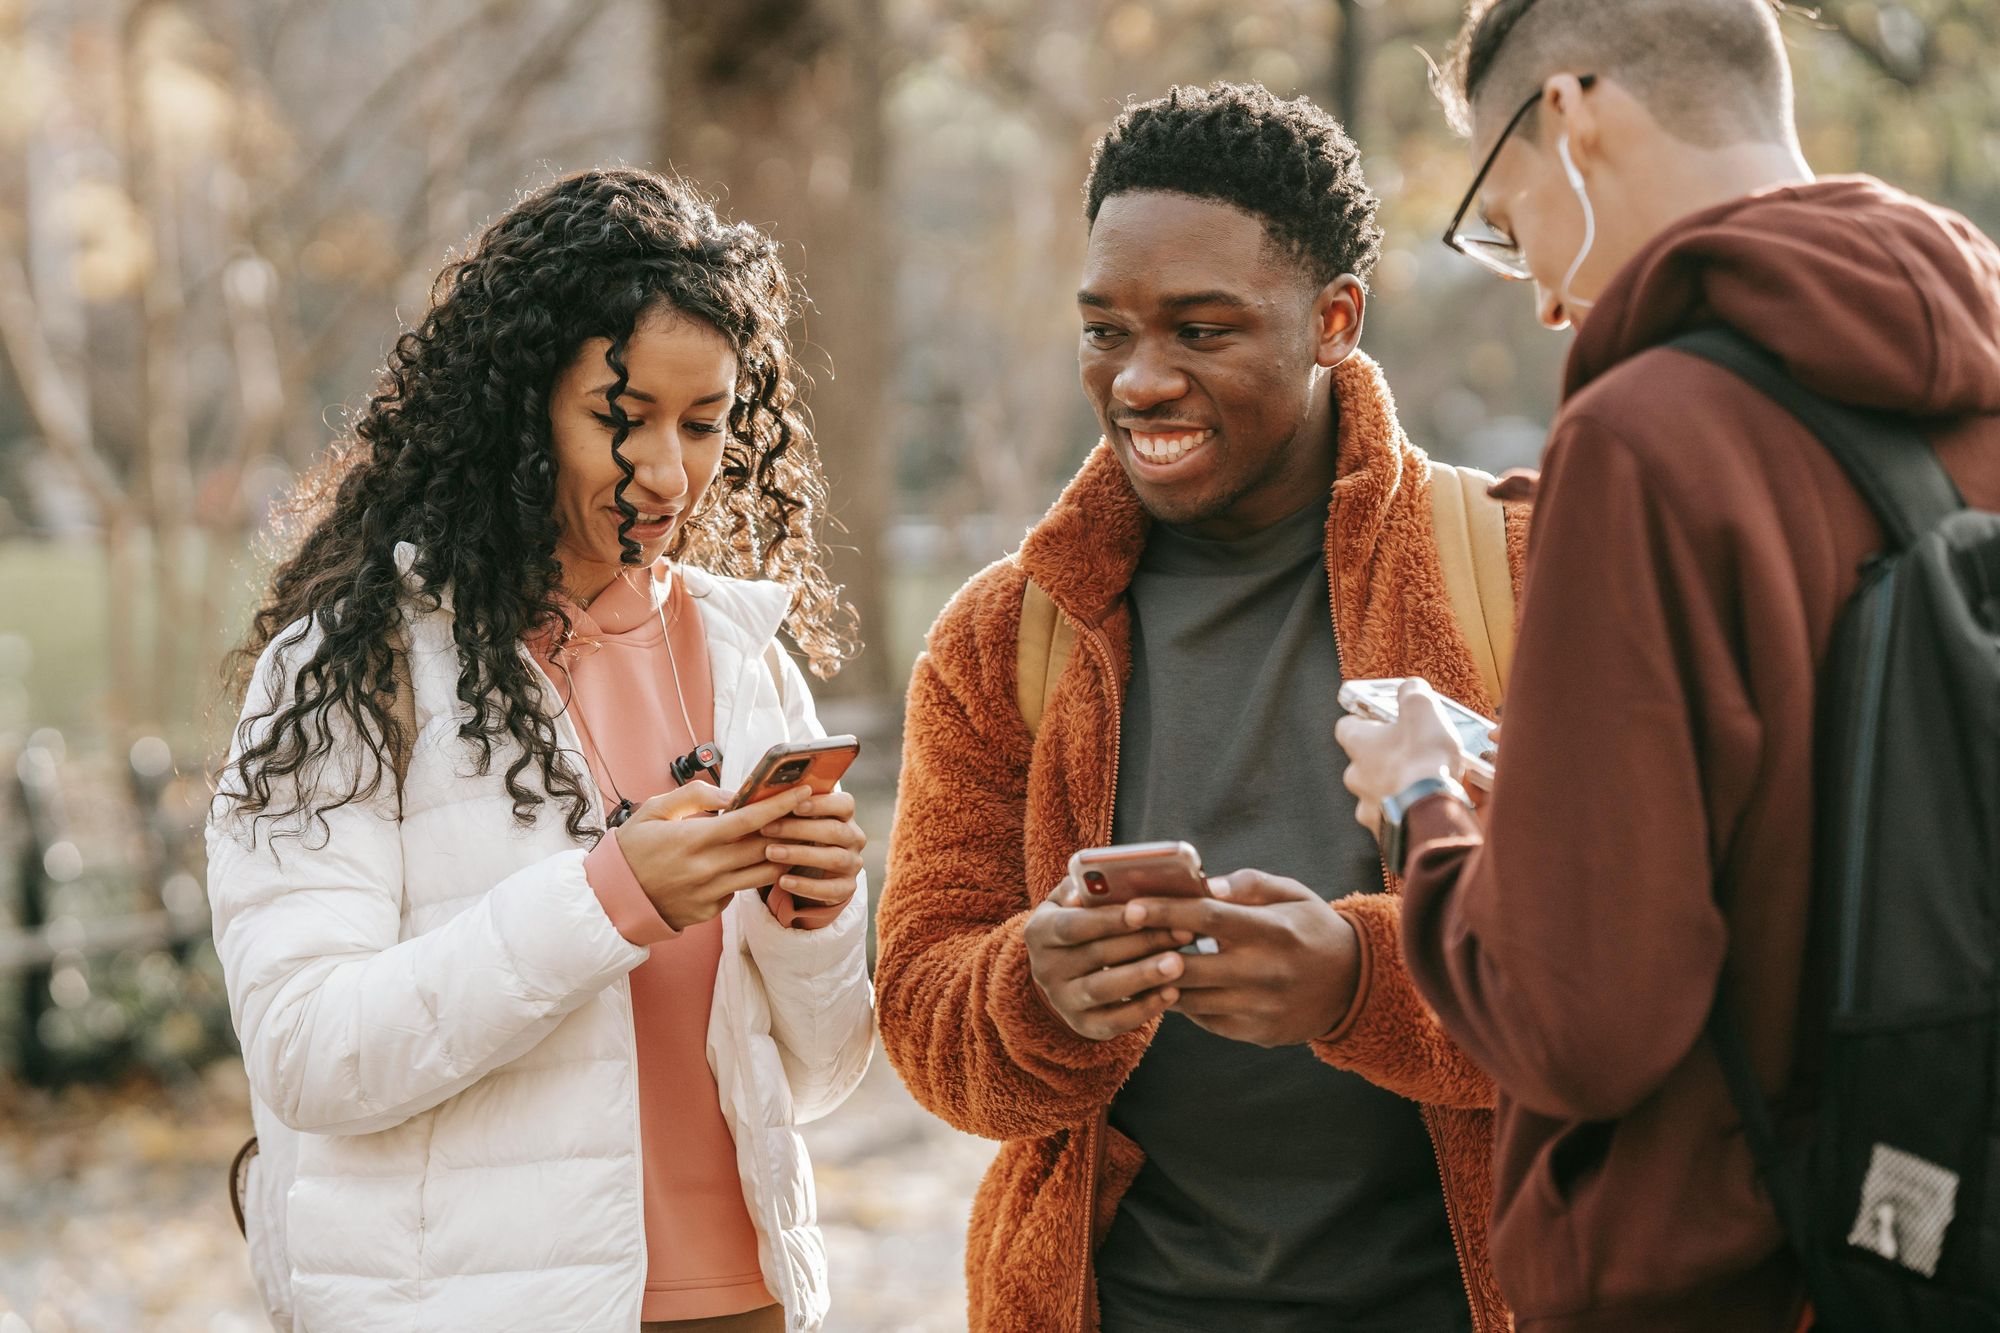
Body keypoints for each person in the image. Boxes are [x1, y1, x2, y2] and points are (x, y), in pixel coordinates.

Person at [1336, 2, 2000, 1330]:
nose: (1535, 293)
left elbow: (1583, 1019)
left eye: (1507, 218)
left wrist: (1425, 805)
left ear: (1573, 116)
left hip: (1723, 1274)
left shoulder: (1649, 438)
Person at [876, 83, 1529, 1332]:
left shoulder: (1516, 575)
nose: (1140, 380)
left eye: (1202, 330)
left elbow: (1633, 974)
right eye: (1105, 330)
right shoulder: (1000, 638)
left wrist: (1359, 983)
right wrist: (1038, 988)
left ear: (1332, 320)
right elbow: (920, 1008)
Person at [207, 169, 874, 1333]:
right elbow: (308, 1054)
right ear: (518, 412)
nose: (668, 471)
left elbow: (813, 1079)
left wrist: (815, 920)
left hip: (744, 1300)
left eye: (704, 423)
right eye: (622, 418)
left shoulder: (746, 657)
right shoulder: (353, 667)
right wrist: (607, 902)